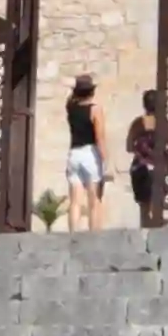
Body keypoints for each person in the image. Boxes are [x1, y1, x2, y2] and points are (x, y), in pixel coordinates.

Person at [62, 75, 104, 229]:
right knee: (94, 200)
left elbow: (69, 97)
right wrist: (106, 160)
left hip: (74, 153)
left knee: (75, 201)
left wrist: (72, 87)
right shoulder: (95, 109)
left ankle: (73, 235)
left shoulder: (71, 109)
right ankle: (94, 236)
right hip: (90, 153)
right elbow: (100, 138)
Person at [124, 89, 167, 224]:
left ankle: (145, 236)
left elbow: (129, 147)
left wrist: (142, 149)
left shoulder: (138, 123)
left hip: (141, 166)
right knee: (158, 206)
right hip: (158, 166)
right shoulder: (164, 123)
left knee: (144, 208)